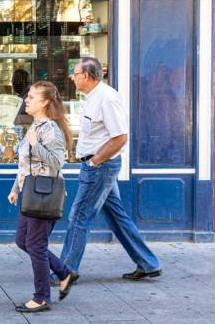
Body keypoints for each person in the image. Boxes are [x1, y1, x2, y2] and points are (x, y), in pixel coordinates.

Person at [59, 57, 161, 281]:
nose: (72, 78)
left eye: (75, 74)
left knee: (79, 216)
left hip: (100, 168)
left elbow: (120, 137)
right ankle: (148, 263)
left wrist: (95, 162)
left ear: (86, 76)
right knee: (117, 216)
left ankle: (66, 271)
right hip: (98, 166)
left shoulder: (106, 98)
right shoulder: (93, 97)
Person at [8, 81, 80, 313]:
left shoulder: (50, 130)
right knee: (23, 240)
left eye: (31, 97)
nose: (26, 100)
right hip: (29, 194)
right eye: (27, 96)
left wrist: (35, 144)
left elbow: (58, 163)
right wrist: (15, 189)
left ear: (46, 102)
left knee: (36, 245)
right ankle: (64, 272)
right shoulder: (35, 126)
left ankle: (41, 297)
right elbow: (26, 164)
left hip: (43, 196)